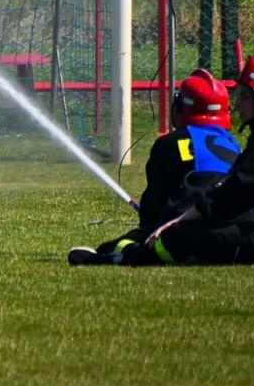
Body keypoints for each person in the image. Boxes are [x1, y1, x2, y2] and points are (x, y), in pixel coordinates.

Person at [136, 52, 254, 265]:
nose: (238, 104)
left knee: (182, 235)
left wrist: (180, 220)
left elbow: (234, 194)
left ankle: (133, 257)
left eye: (245, 96)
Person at [68, 68, 243, 265]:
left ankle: (104, 255)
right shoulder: (234, 145)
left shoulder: (169, 143)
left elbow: (154, 203)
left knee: (121, 244)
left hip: (181, 231)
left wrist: (151, 224)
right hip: (232, 232)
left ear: (180, 108)